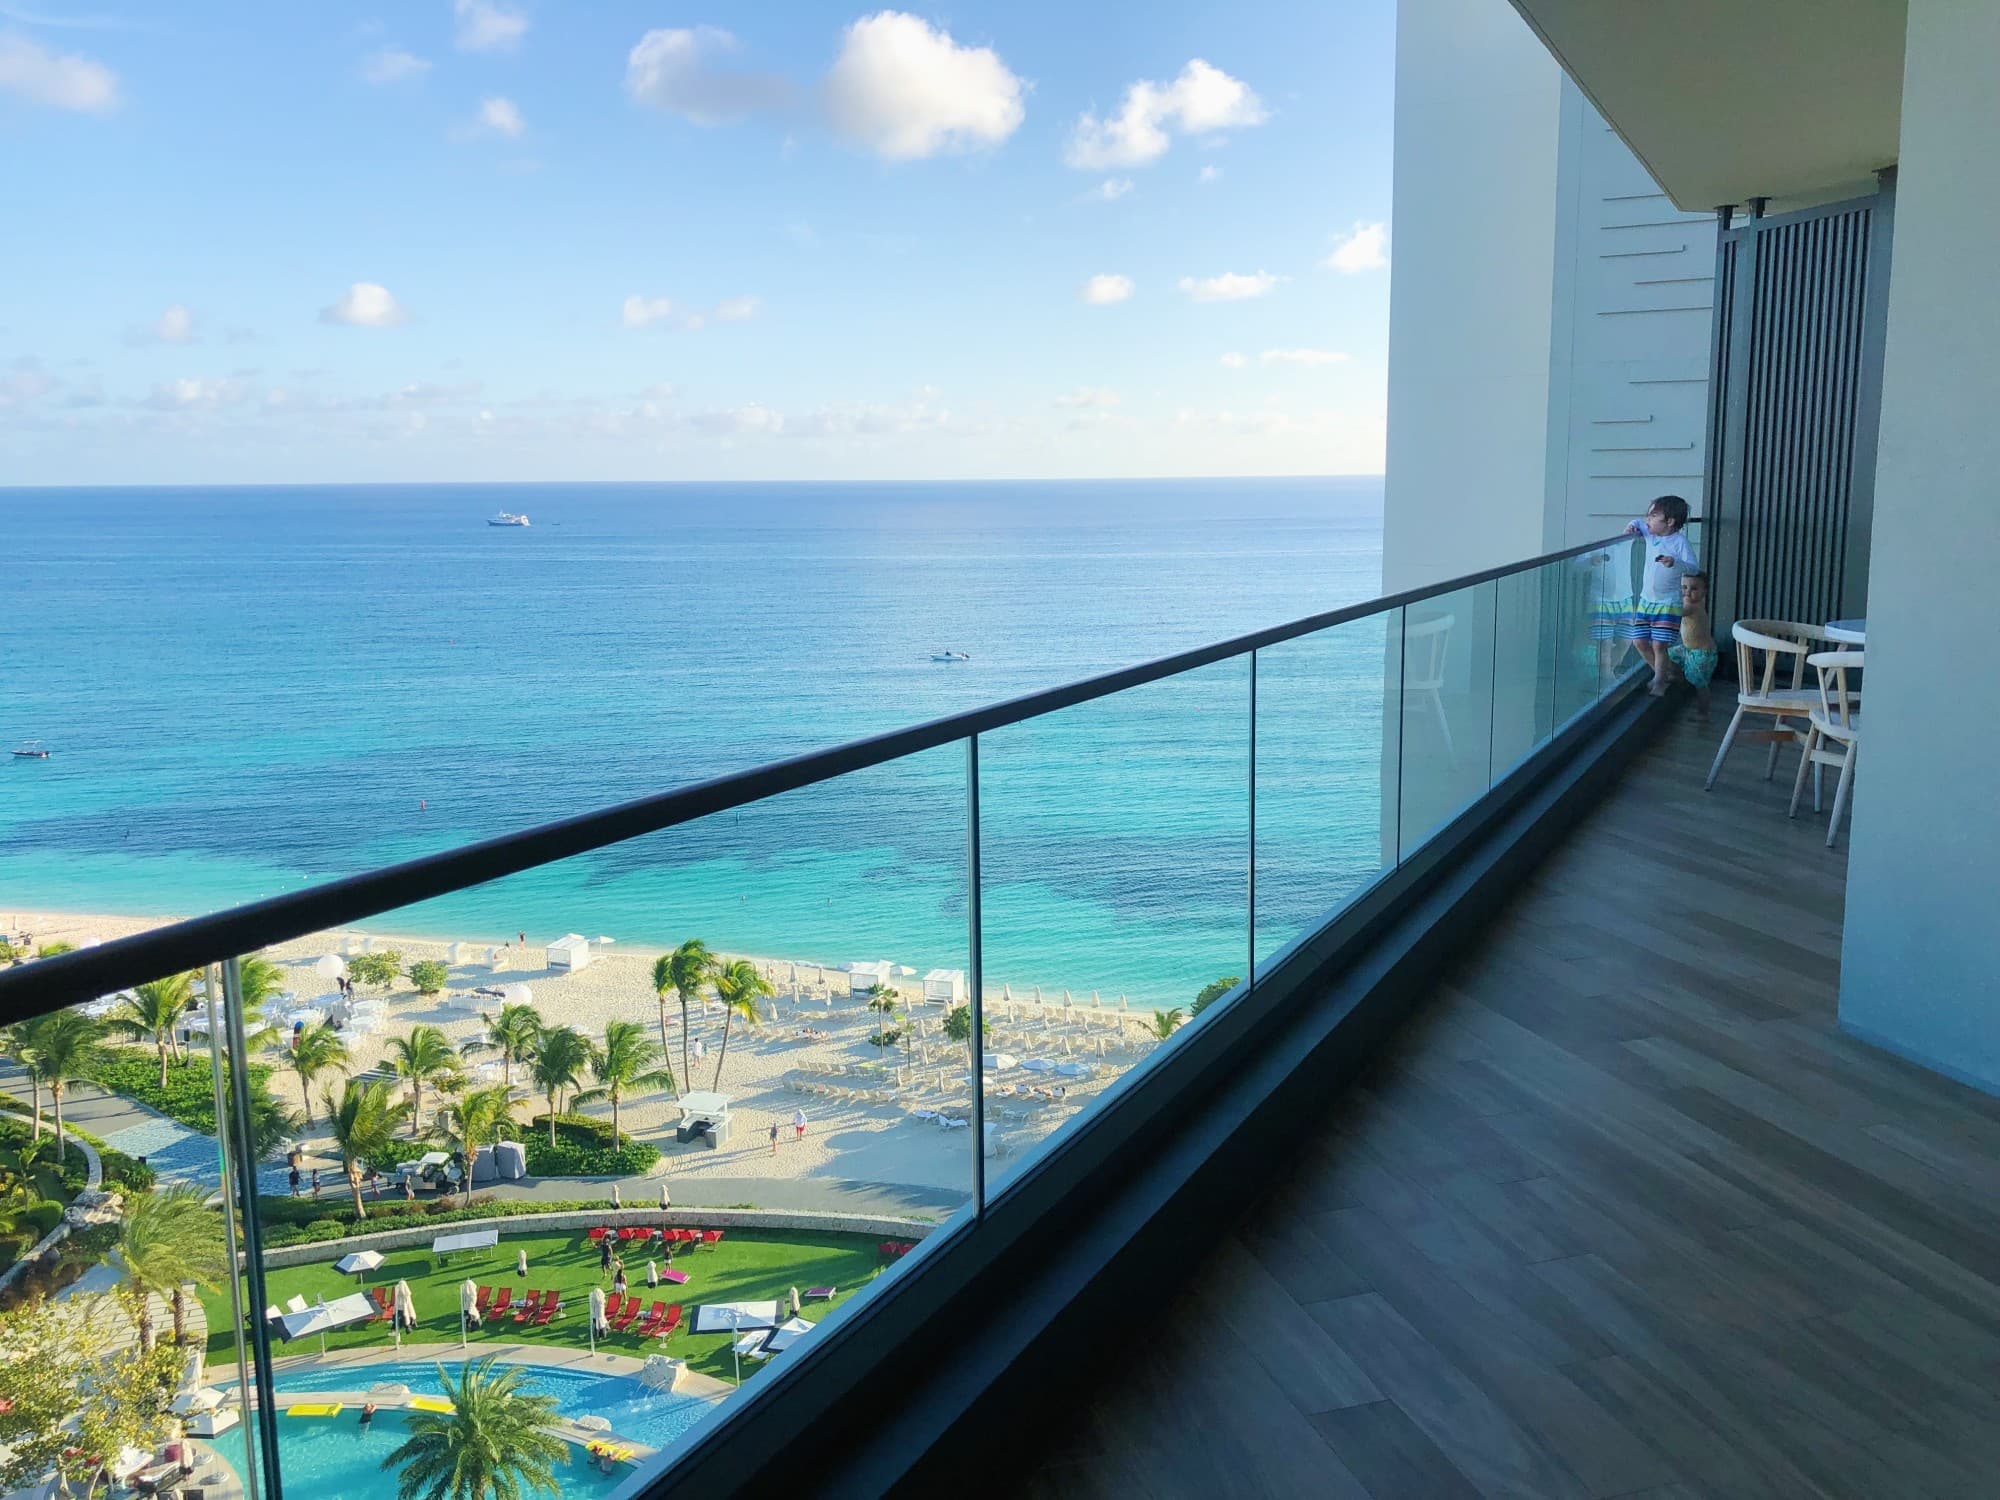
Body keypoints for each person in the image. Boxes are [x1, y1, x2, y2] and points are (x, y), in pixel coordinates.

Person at [1618, 495, 1701, 695]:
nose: (1647, 520)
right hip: (1646, 600)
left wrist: (1675, 563)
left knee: (1659, 644)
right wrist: (1631, 526)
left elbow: (1693, 567)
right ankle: (1666, 672)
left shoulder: (1679, 542)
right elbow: (1637, 523)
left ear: (1670, 522)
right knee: (1638, 641)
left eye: (1653, 516)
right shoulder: (1650, 533)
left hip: (1668, 603)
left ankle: (1659, 681)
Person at [1667, 572, 1719, 719]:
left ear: (1704, 592)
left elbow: (1678, 612)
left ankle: (1703, 713)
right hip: (1688, 650)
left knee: (1700, 684)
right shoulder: (1691, 602)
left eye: (1694, 588)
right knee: (1668, 654)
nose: (1688, 592)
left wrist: (1664, 605)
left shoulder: (1693, 606)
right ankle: (1677, 675)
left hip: (1701, 653)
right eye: (1684, 587)